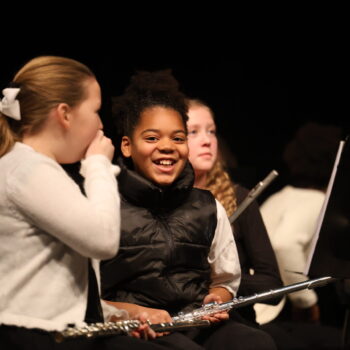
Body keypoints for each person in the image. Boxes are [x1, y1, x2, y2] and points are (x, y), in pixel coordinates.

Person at [0, 56, 172, 350]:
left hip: (54, 331)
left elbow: (56, 278)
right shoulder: (28, 170)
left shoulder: (35, 168)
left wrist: (115, 315)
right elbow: (103, 240)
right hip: (34, 337)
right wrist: (97, 165)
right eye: (95, 110)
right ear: (65, 114)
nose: (101, 124)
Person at [101, 70, 277, 350]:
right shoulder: (104, 204)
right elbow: (84, 296)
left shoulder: (207, 206)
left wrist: (218, 297)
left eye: (178, 138)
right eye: (152, 138)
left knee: (256, 343)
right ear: (126, 145)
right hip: (131, 331)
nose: (167, 147)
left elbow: (225, 280)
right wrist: (133, 313)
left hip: (194, 324)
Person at [186, 98, 283, 325]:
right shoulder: (161, 202)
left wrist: (220, 282)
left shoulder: (239, 197)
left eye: (211, 132)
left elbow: (272, 285)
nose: (207, 141)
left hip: (234, 322)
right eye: (193, 132)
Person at [255, 122, 343, 349]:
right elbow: (284, 245)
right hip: (270, 312)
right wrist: (306, 302)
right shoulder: (316, 202)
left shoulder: (280, 197)